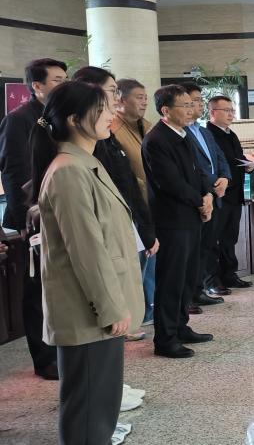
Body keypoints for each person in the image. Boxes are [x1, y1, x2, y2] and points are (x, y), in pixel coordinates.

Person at [29, 81, 143, 444]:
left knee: (100, 408)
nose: (112, 114)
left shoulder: (84, 162)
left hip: (95, 311)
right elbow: (86, 249)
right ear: (75, 119)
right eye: (104, 108)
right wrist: (110, 307)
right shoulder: (68, 170)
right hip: (88, 313)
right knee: (89, 410)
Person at [72, 67, 158, 345]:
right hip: (110, 224)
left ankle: (131, 317)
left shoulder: (109, 138)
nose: (114, 105)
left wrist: (144, 226)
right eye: (111, 93)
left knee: (133, 275)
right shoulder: (71, 163)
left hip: (129, 216)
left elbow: (128, 181)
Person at [0, 57, 66, 380]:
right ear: (36, 86)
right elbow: (14, 173)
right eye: (57, 80)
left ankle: (60, 347)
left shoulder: (56, 118)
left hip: (57, 212)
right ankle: (44, 358)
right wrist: (28, 219)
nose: (64, 85)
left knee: (56, 287)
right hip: (33, 219)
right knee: (37, 290)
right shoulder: (18, 120)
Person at [143, 85, 214, 359]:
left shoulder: (184, 134)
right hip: (172, 220)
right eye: (184, 105)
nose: (191, 109)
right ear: (166, 110)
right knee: (171, 279)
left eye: (191, 104)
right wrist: (200, 200)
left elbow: (199, 172)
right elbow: (170, 183)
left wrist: (207, 194)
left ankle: (181, 326)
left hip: (192, 216)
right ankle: (165, 338)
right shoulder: (157, 140)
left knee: (187, 277)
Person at [111, 78, 157, 327]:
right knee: (137, 265)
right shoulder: (113, 129)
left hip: (152, 204)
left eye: (145, 97)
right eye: (139, 97)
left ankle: (148, 310)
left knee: (151, 262)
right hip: (132, 207)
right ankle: (138, 315)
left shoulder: (147, 126)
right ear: (120, 98)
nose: (144, 101)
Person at [182, 83, 231, 305]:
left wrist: (225, 178)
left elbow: (220, 158)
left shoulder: (203, 131)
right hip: (197, 198)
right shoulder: (181, 134)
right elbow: (195, 167)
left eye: (201, 100)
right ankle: (189, 296)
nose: (200, 104)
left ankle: (198, 290)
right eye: (195, 101)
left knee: (206, 247)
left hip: (214, 197)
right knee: (193, 251)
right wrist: (212, 185)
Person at [205, 95, 253, 289]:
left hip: (235, 194)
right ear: (213, 112)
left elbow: (236, 158)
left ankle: (229, 274)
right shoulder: (208, 134)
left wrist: (247, 165)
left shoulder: (231, 134)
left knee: (230, 237)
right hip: (219, 194)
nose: (231, 114)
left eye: (232, 110)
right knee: (214, 239)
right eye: (227, 110)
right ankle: (212, 279)